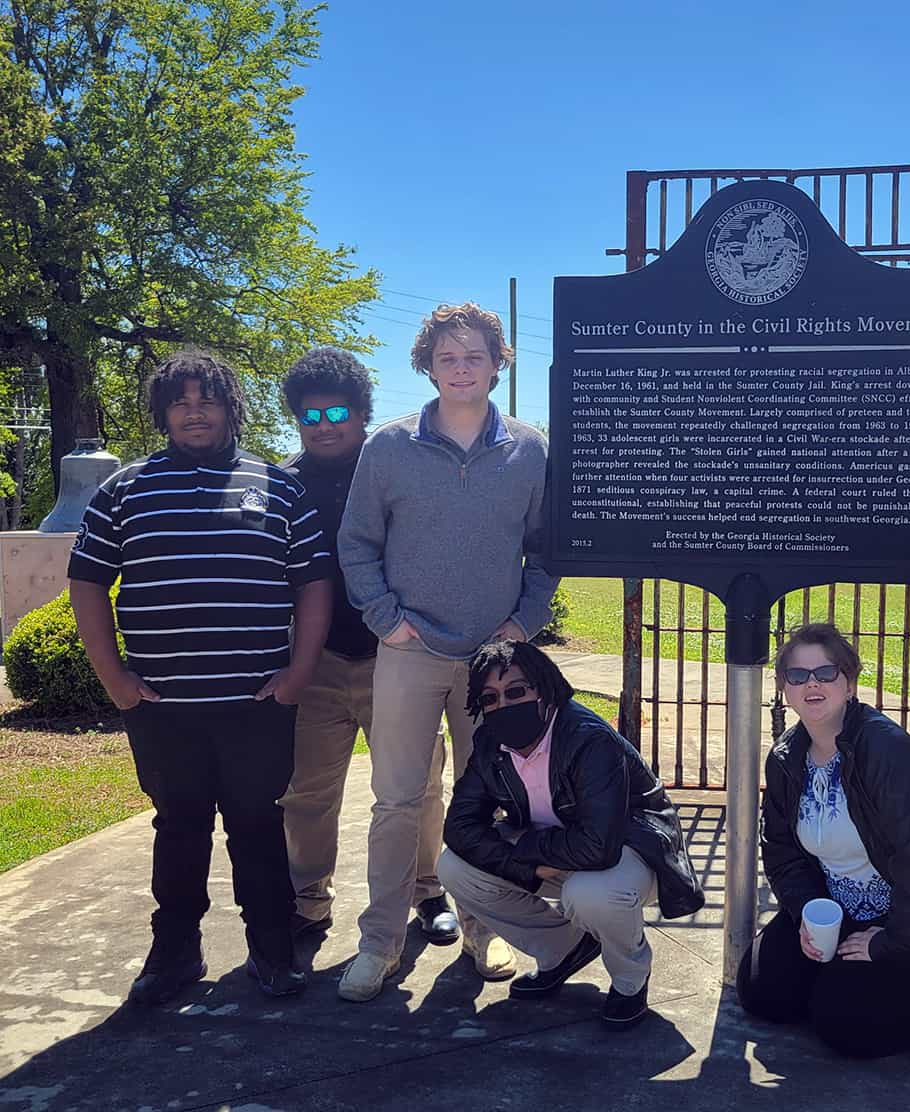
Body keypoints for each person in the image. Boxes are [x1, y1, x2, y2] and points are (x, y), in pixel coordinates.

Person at [68, 351, 333, 1004]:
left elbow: (314, 583)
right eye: (181, 401)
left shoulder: (278, 486)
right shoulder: (124, 490)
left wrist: (298, 673)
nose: (194, 410)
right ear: (163, 412)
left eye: (207, 399)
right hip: (162, 706)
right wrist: (116, 681)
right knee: (178, 825)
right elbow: (87, 583)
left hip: (256, 703)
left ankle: (273, 952)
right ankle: (174, 952)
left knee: (257, 824)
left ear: (229, 408)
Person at [337, 303, 559, 1001]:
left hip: (495, 661)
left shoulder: (530, 449)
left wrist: (523, 623)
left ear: (498, 363)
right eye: (447, 358)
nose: (461, 368)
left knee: (489, 798)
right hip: (409, 651)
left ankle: (481, 932)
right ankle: (380, 943)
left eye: (474, 356)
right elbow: (357, 544)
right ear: (426, 367)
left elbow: (547, 549)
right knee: (397, 802)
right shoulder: (387, 448)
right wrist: (387, 621)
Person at [737, 623, 910, 1057]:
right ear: (785, 686)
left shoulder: (884, 751)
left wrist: (888, 944)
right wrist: (806, 911)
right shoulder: (786, 757)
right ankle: (852, 988)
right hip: (841, 909)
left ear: (849, 681)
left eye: (826, 672)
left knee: (843, 1025)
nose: (812, 684)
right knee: (762, 990)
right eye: (798, 676)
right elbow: (782, 852)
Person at [277, 348, 458, 946]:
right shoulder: (281, 485)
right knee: (306, 790)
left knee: (419, 786)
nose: (324, 424)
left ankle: (428, 891)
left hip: (398, 658)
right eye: (310, 415)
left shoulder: (391, 469)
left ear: (360, 412)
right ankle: (307, 899)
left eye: (336, 411)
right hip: (316, 663)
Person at [438, 640, 704, 1029]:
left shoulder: (588, 739)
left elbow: (599, 845)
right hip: (557, 853)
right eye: (490, 698)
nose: (504, 705)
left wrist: (525, 852)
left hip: (630, 854)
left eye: (516, 691)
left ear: (543, 691)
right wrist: (525, 864)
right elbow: (459, 827)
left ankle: (630, 979)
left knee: (588, 893)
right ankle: (563, 950)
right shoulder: (490, 744)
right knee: (453, 867)